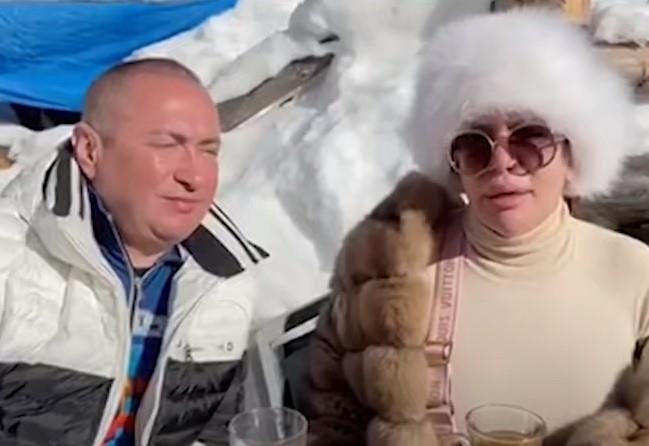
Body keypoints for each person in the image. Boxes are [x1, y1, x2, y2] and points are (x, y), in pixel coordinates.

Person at [303, 8, 649, 446]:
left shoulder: (636, 274)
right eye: (474, 144)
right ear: (453, 164)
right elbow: (331, 421)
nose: (502, 163)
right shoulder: (385, 276)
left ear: (572, 153)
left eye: (530, 138)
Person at [0, 58, 268, 445]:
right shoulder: (11, 259)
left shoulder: (221, 281)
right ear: (89, 151)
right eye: (167, 145)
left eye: (208, 151)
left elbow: (215, 433)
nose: (194, 176)